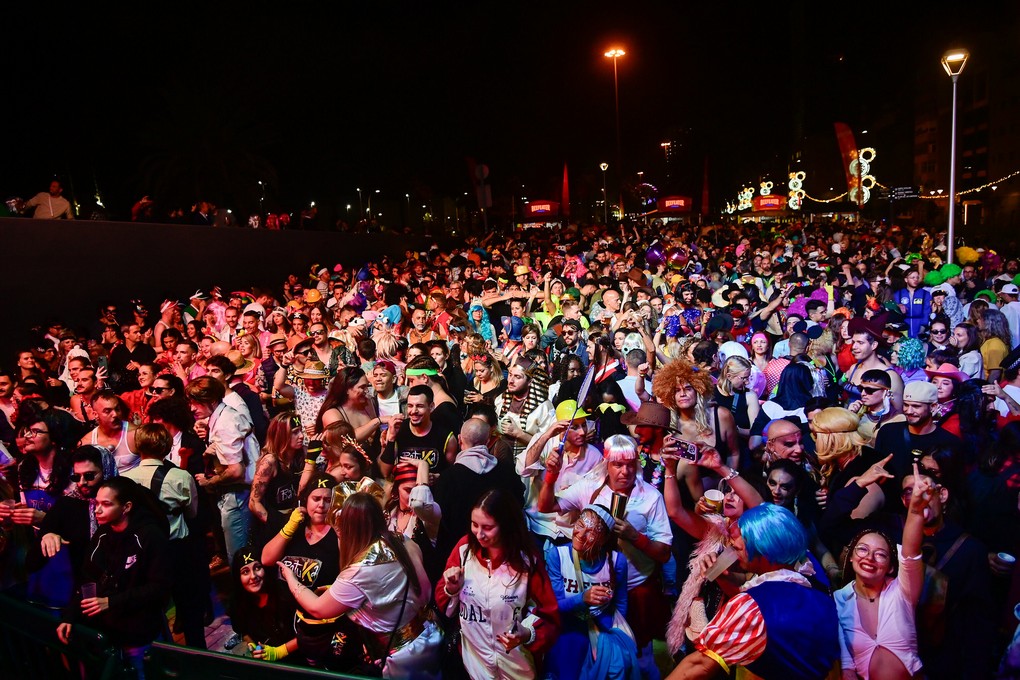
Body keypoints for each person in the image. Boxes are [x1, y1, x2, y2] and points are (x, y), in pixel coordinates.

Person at [538, 434, 671, 670]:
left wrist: (635, 537)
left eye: (630, 465)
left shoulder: (650, 497)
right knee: (596, 655)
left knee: (637, 654)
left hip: (635, 587)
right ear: (606, 464)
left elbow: (664, 554)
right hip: (594, 590)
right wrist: (551, 477)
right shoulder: (589, 487)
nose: (625, 472)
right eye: (618, 465)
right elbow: (546, 506)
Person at [665, 504, 840, 680]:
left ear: (767, 546)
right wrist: (719, 575)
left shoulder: (752, 606)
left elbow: (699, 665)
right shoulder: (820, 594)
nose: (736, 543)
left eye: (746, 537)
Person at [282, 492, 443, 678]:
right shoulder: (402, 540)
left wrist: (291, 578)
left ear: (348, 528)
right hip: (431, 632)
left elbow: (318, 609)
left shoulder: (359, 571)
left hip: (405, 655)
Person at [437, 489, 560, 680]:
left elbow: (549, 615)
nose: (479, 534)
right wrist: (451, 589)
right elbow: (444, 603)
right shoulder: (464, 550)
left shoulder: (527, 560)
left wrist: (527, 633)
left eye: (488, 527)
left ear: (505, 525)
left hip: (518, 665)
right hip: (476, 664)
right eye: (474, 524)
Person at [56, 477, 172, 680]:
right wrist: (70, 616)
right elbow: (86, 578)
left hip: (137, 631)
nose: (97, 510)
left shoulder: (149, 535)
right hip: (106, 630)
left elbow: (159, 587)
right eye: (97, 503)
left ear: (126, 507)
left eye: (106, 504)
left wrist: (111, 602)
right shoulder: (102, 534)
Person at [833, 464, 929, 680]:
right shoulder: (839, 600)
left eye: (880, 554)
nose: (869, 558)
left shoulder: (902, 592)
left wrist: (914, 511)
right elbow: (847, 668)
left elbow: (911, 555)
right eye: (863, 550)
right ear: (851, 557)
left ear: (891, 567)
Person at [121, 423, 205, 648]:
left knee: (150, 606)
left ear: (139, 447)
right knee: (189, 605)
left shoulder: (125, 479)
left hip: (144, 550)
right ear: (167, 447)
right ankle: (199, 655)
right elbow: (192, 513)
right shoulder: (181, 476)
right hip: (178, 548)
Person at [543, 504, 639, 680]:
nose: (580, 534)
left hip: (603, 629)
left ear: (603, 539)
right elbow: (554, 606)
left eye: (591, 532)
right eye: (579, 525)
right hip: (568, 629)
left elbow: (621, 603)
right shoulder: (558, 556)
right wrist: (583, 598)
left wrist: (615, 636)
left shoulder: (617, 561)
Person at [262, 472, 344, 668]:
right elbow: (266, 559)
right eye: (316, 499)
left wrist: (340, 530)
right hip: (284, 617)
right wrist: (289, 528)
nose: (321, 505)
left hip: (316, 629)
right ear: (305, 499)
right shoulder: (294, 525)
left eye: (327, 500)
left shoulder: (338, 534)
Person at [186, 376, 257, 564]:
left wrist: (209, 481)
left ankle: (243, 593)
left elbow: (236, 471)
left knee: (239, 557)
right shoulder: (223, 415)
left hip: (236, 495)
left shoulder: (225, 423)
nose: (192, 408)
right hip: (237, 493)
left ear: (212, 400)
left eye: (196, 403)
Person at [229, 550, 297, 661]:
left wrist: (280, 651)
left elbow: (309, 634)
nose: (253, 576)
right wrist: (255, 648)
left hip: (296, 660)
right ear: (238, 578)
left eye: (257, 568)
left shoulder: (284, 595)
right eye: (245, 572)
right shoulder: (237, 602)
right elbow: (244, 631)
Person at [379, 385, 458, 478]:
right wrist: (391, 438)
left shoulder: (446, 436)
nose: (413, 411)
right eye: (410, 406)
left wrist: (438, 477)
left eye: (419, 406)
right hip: (404, 490)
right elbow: (384, 472)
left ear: (431, 407)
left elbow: (454, 474)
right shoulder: (398, 429)